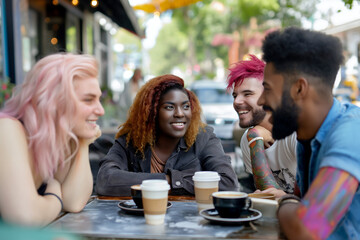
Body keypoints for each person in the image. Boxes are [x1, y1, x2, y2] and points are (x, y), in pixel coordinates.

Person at [259, 27, 360, 239]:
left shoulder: (350, 135)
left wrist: (285, 202)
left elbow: (306, 229)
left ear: (299, 89)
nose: (261, 100)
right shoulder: (307, 138)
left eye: (267, 89)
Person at [0, 53, 104, 226]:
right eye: (88, 99)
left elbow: (74, 202)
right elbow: (25, 218)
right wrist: (55, 196)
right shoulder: (7, 129)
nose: (100, 110)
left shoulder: (54, 139)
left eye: (98, 99)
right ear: (56, 101)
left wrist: (84, 144)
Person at [96, 74, 239, 196]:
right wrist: (170, 180)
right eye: (169, 107)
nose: (180, 113)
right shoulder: (131, 139)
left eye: (186, 106)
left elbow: (228, 183)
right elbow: (105, 180)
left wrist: (172, 180)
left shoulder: (203, 137)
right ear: (151, 112)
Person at [227, 54, 297, 198]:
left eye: (247, 94)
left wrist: (285, 198)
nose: (237, 102)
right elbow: (267, 197)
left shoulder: (295, 134)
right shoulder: (249, 139)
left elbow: (327, 200)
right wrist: (254, 138)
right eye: (235, 95)